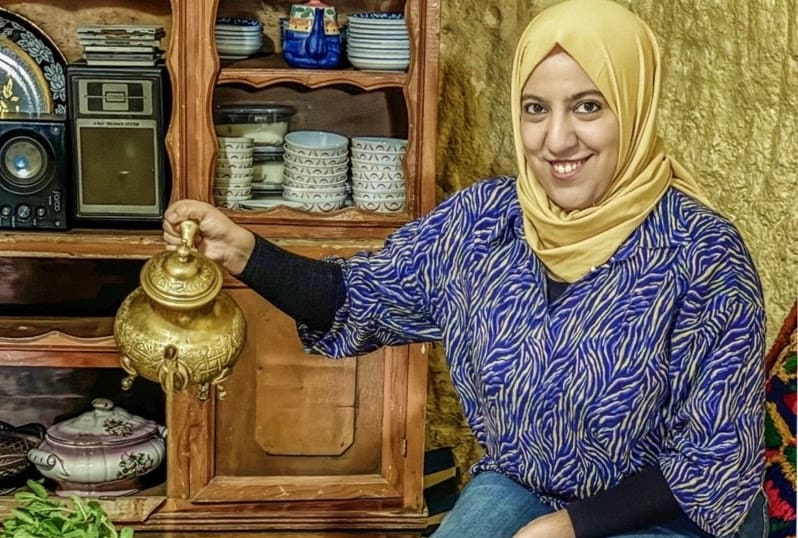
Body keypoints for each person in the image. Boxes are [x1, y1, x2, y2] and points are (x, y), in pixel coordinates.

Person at [163, 0, 768, 536]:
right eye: (536, 109)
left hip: (673, 511)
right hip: (528, 481)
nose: (557, 139)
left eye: (588, 107)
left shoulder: (703, 254)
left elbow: (712, 458)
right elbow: (358, 295)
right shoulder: (485, 222)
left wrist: (566, 528)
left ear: (634, 108)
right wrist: (243, 251)